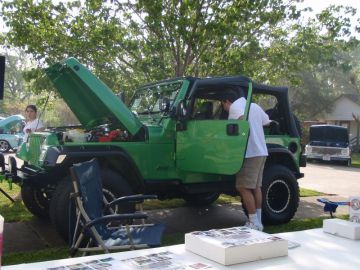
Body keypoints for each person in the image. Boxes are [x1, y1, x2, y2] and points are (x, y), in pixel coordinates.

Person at [222, 90, 271, 231]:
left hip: (249, 153)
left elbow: (235, 127)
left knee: (242, 187)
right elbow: (266, 121)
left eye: (223, 105)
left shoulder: (234, 108)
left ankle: (253, 222)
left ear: (226, 101)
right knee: (256, 187)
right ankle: (258, 222)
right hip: (262, 151)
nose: (224, 109)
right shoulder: (254, 105)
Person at [12, 105, 44, 201]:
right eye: (27, 111)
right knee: (25, 171)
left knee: (29, 171)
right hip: (26, 148)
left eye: (31, 111)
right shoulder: (28, 122)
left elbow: (41, 137)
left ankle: (24, 195)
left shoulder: (38, 122)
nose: (29, 113)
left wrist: (31, 133)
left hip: (34, 150)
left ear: (35, 112)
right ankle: (23, 194)